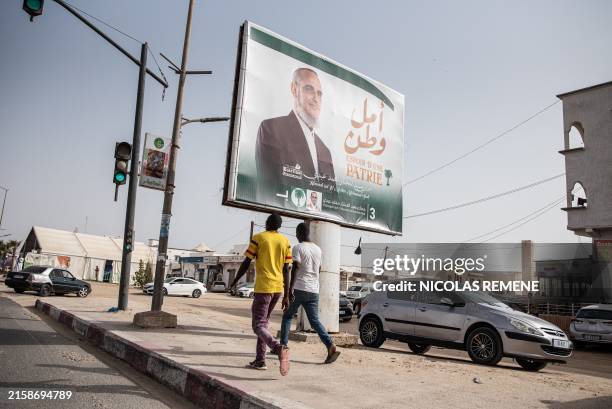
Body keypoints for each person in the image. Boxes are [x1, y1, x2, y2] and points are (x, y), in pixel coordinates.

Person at [255, 68, 336, 206]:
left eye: (319, 94)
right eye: (309, 89)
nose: (316, 99)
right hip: (285, 216)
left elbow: (334, 204)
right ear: (294, 89)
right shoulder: (272, 129)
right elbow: (267, 189)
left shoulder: (325, 151)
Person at [229, 213, 292, 375]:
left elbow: (246, 261)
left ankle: (278, 348)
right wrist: (286, 294)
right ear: (279, 226)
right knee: (263, 325)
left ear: (268, 223)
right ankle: (260, 360)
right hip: (278, 289)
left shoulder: (259, 238)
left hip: (264, 287)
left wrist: (235, 281)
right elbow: (287, 269)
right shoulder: (285, 242)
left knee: (257, 325)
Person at [280, 222, 340, 364]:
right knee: (314, 321)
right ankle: (330, 345)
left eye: (296, 233)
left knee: (287, 316)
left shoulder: (298, 247)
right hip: (313, 290)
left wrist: (289, 291)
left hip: (299, 288)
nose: (296, 235)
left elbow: (295, 267)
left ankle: (283, 346)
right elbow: (318, 269)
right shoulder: (318, 250)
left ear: (300, 233)